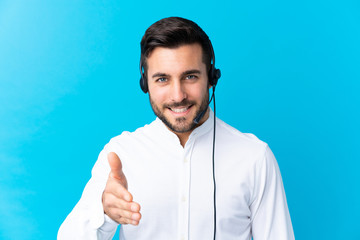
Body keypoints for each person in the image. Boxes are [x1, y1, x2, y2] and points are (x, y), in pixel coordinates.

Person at [58, 17, 295, 240]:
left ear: (211, 77)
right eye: (162, 79)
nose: (177, 95)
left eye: (190, 76)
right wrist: (106, 212)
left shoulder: (254, 157)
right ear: (145, 83)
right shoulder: (121, 154)